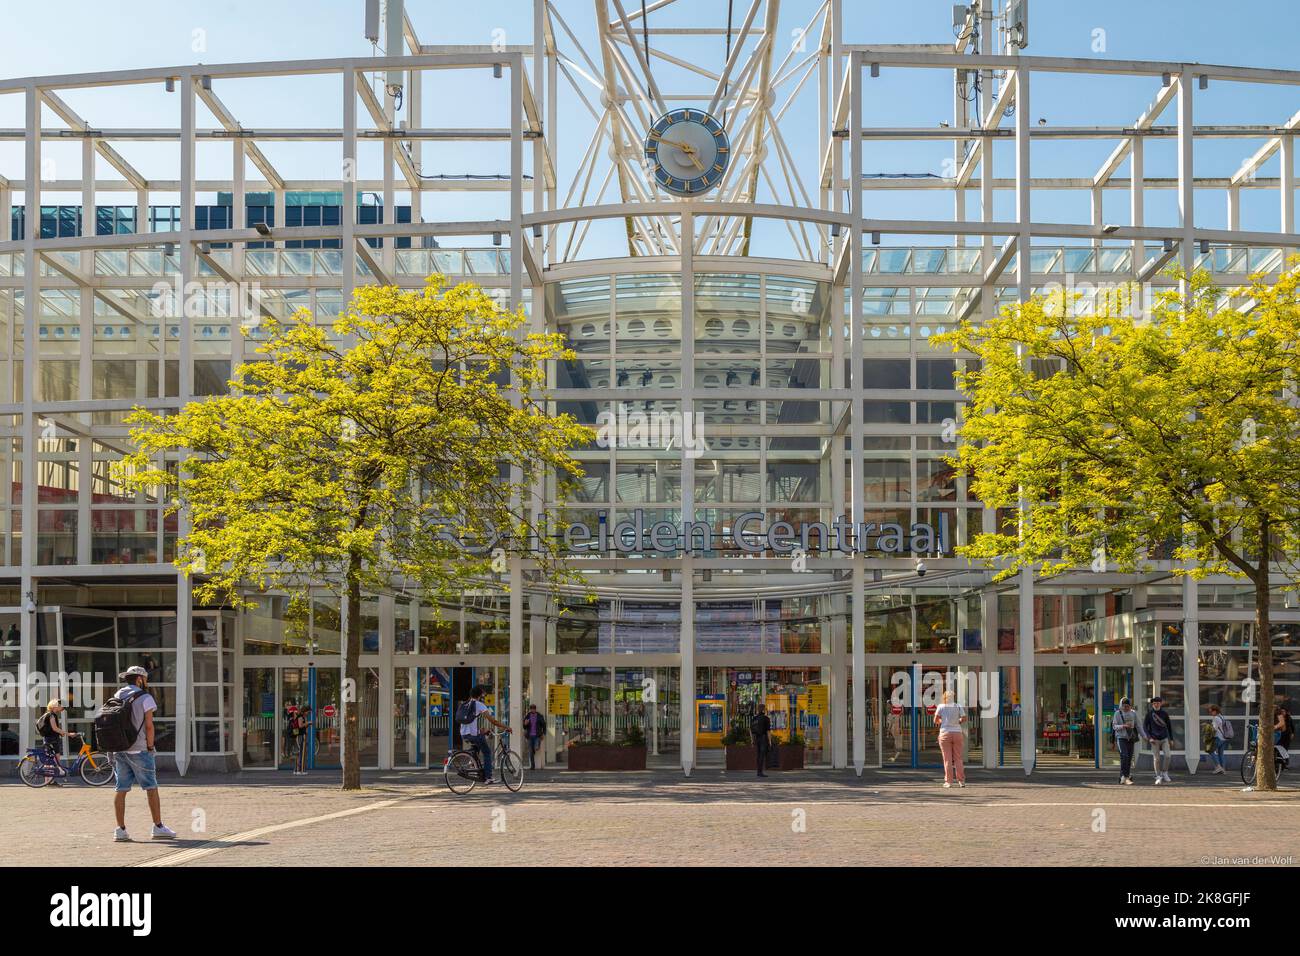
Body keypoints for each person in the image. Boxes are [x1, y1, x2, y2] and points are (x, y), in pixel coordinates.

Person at [111, 666, 176, 842]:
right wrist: (150, 746)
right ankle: (158, 827)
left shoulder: (117, 695)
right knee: (151, 787)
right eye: (145, 679)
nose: (146, 682)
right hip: (140, 749)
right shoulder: (145, 697)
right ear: (140, 679)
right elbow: (149, 725)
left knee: (121, 788)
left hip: (120, 749)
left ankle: (120, 830)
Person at [458, 686, 509, 785]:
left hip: (464, 734)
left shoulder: (465, 704)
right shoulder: (479, 705)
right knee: (487, 752)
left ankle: (472, 761)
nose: (483, 696)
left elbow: (469, 723)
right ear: (479, 695)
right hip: (473, 735)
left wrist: (482, 731)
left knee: (478, 743)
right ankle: (488, 777)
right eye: (482, 695)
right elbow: (492, 721)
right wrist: (506, 727)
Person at [934, 691, 966, 788]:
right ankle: (961, 781)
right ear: (953, 697)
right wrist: (958, 721)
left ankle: (949, 782)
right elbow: (964, 718)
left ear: (945, 697)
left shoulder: (941, 706)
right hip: (957, 733)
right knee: (958, 758)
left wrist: (943, 721)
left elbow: (935, 720)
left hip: (945, 733)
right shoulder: (958, 706)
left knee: (947, 759)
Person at [36, 699, 71, 787]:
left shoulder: (50, 714)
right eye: (62, 707)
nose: (63, 709)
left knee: (52, 761)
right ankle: (49, 782)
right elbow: (54, 728)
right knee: (53, 761)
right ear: (57, 706)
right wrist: (67, 733)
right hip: (51, 740)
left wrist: (61, 733)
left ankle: (49, 781)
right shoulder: (51, 715)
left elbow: (53, 729)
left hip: (50, 739)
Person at [1143, 696, 1175, 785]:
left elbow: (1169, 727)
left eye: (1158, 703)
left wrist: (1171, 739)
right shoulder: (1149, 714)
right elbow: (1145, 727)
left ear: (1161, 703)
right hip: (1154, 739)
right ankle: (1158, 776)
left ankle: (1164, 772)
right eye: (1154, 703)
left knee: (1168, 755)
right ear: (1153, 704)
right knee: (1156, 759)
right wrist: (1150, 738)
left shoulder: (1164, 714)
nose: (1156, 704)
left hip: (1164, 738)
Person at [1111, 697, 1137, 785]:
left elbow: (1139, 725)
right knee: (1124, 755)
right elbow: (1114, 727)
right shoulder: (1117, 714)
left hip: (1130, 738)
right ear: (1121, 706)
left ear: (1130, 706)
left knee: (1129, 758)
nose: (1126, 708)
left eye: (1128, 706)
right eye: (1124, 706)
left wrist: (1145, 736)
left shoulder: (1133, 713)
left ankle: (1123, 776)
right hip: (1121, 737)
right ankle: (1125, 777)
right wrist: (1123, 726)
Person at [522, 704, 546, 770]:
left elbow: (544, 725)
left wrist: (544, 733)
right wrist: (525, 724)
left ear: (535, 709)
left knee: (536, 747)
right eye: (531, 709)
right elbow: (524, 727)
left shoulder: (539, 716)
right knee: (530, 751)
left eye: (533, 709)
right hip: (530, 736)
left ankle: (534, 749)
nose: (532, 710)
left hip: (537, 735)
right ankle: (532, 766)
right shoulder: (528, 716)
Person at [750, 705, 771, 778]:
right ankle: (760, 772)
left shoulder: (754, 718)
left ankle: (758, 771)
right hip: (763, 738)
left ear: (758, 710)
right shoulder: (766, 718)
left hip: (757, 738)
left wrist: (752, 740)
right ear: (764, 710)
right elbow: (768, 731)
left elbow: (751, 731)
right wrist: (770, 742)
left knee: (758, 755)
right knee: (762, 755)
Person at [1208, 704, 1229, 775]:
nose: (1210, 713)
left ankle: (1218, 766)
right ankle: (1223, 769)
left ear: (1215, 711)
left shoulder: (1216, 718)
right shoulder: (1222, 716)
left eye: (1211, 712)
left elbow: (1214, 729)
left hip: (1218, 738)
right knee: (1221, 754)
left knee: (1210, 751)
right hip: (1224, 738)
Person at [293, 704, 313, 776]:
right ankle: (300, 770)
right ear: (305, 711)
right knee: (302, 753)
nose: (308, 713)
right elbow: (300, 725)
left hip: (300, 735)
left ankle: (296, 769)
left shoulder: (302, 716)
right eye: (308, 712)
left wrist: (307, 724)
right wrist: (308, 723)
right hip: (301, 736)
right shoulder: (301, 717)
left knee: (299, 753)